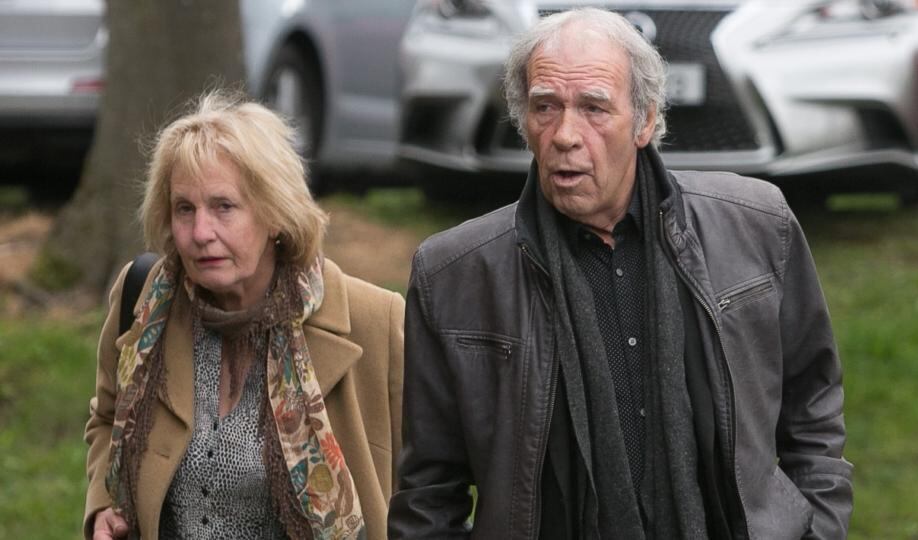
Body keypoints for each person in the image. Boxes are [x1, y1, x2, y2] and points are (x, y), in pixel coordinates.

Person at [389, 8, 852, 540]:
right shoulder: (455, 275)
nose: (565, 134)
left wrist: (819, 528)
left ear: (645, 120)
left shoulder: (757, 225)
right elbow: (428, 495)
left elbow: (813, 407)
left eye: (593, 108)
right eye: (545, 107)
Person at [83, 92, 404, 540]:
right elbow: (107, 417)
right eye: (184, 209)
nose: (200, 233)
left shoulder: (376, 320)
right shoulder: (144, 301)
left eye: (224, 207)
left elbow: (431, 479)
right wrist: (103, 505)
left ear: (276, 213)